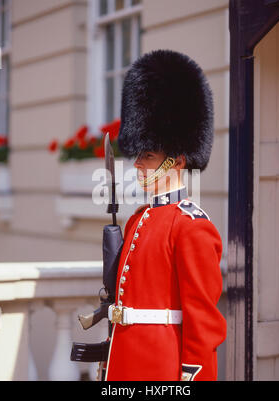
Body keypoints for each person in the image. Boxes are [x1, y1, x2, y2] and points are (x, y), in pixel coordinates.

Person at [104, 49, 226, 381]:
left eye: (148, 155)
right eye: (137, 155)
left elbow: (203, 322)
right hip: (124, 363)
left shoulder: (192, 227)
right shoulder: (137, 219)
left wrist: (193, 378)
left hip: (162, 367)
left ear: (178, 159)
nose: (138, 165)